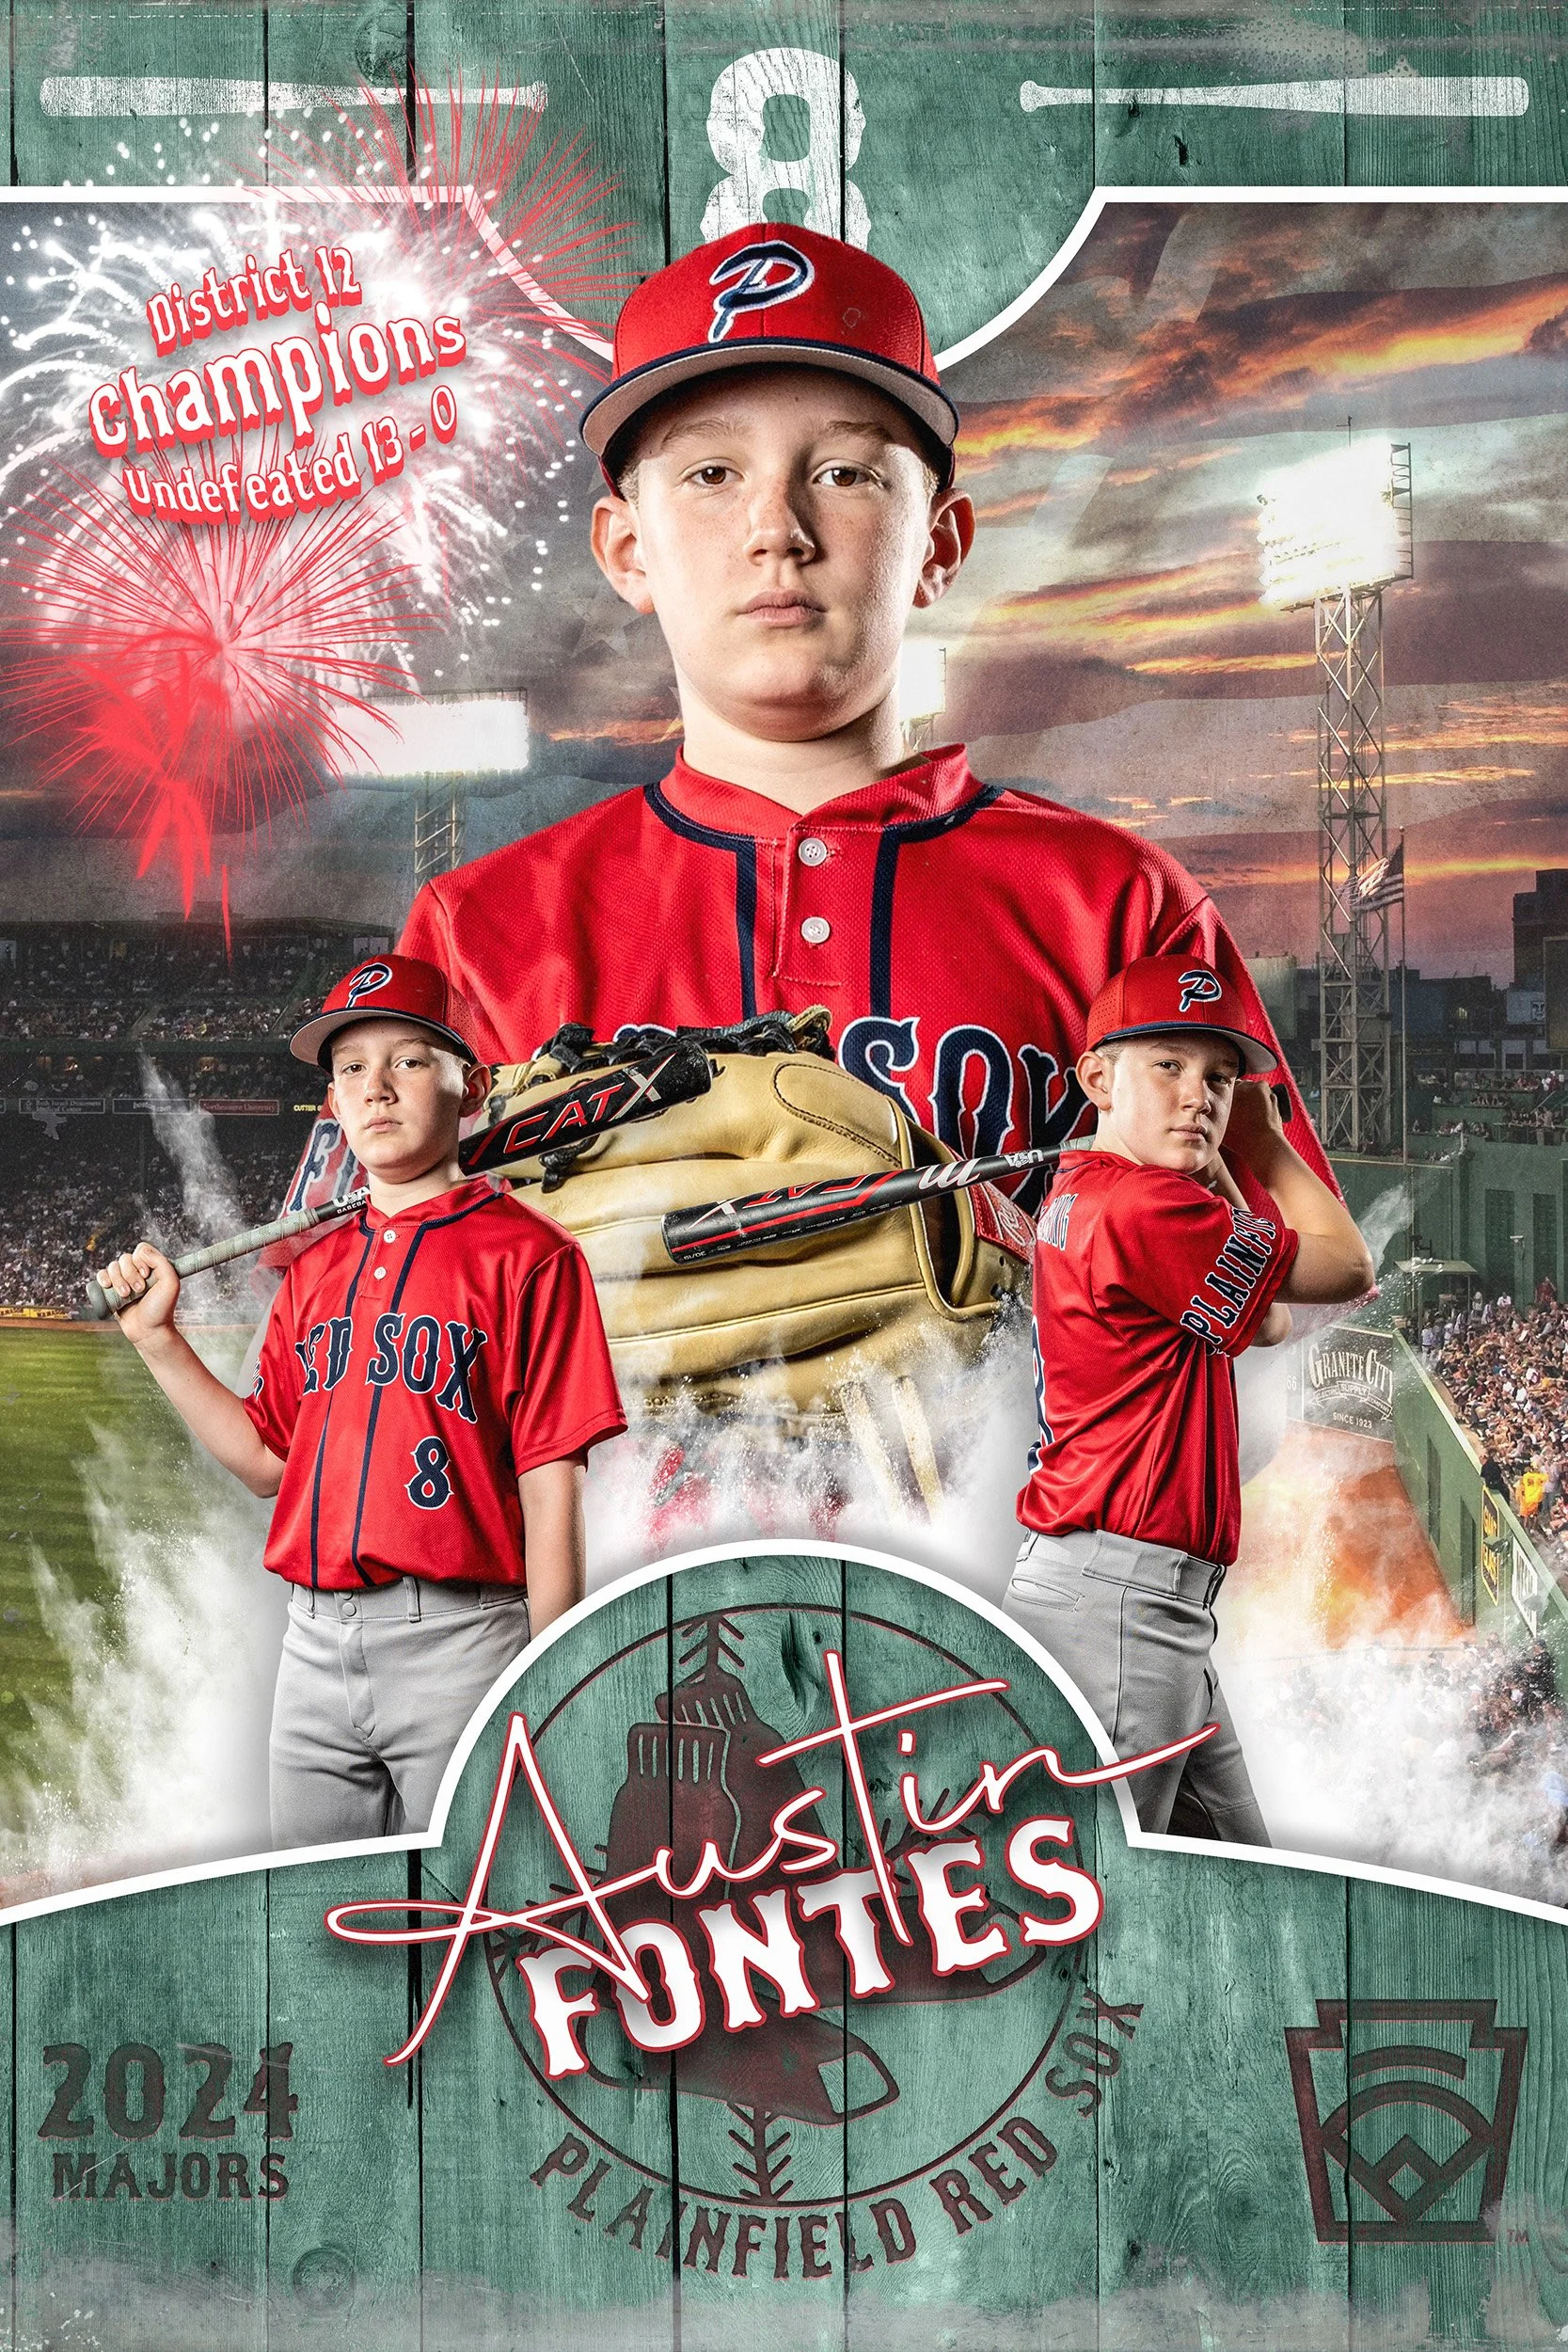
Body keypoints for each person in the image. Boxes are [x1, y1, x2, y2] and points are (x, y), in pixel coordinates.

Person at [395, 220, 1331, 1202]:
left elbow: (1284, 1290)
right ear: (629, 551)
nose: (777, 531)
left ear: (937, 544)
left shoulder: (1118, 908)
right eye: (711, 474)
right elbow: (346, 1318)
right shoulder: (478, 931)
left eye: (844, 473)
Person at [96, 954, 626, 1846]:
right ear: (333, 1107)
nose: (376, 1087)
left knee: (483, 1925)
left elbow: (551, 1488)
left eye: (410, 1060)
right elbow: (269, 1463)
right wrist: (159, 1340)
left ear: (472, 1087)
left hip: (464, 1645)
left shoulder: (532, 1259)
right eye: (350, 1069)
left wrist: (551, 1672)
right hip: (309, 1649)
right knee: (323, 1941)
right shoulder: (314, 1273)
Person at [1002, 956, 1374, 1845]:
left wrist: (1212, 1167)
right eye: (1166, 1064)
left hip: (1129, 1602)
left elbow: (1272, 1323)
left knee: (1240, 1895)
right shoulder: (1142, 1211)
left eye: (1220, 1078)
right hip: (1119, 1611)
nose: (1199, 1094)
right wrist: (1263, 1142)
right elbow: (1351, 1267)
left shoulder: (1102, 1191)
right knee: (1098, 1927)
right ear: (1097, 1077)